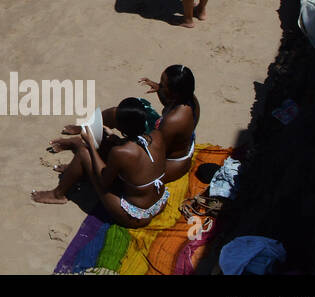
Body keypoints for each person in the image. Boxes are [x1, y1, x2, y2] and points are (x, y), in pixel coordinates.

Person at [36, 65, 201, 208]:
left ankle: (73, 176)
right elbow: (167, 107)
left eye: (163, 85)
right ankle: (85, 131)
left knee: (104, 151)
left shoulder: (172, 122)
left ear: (173, 93)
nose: (159, 86)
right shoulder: (188, 98)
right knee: (118, 113)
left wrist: (118, 143)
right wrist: (158, 88)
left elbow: (153, 153)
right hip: (163, 141)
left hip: (167, 163)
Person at [32, 97, 170, 227]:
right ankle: (76, 171)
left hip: (136, 216)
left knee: (83, 152)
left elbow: (104, 181)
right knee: (105, 147)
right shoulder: (157, 136)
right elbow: (138, 154)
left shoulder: (121, 152)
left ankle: (58, 194)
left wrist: (91, 144)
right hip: (160, 202)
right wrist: (115, 139)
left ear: (122, 127)